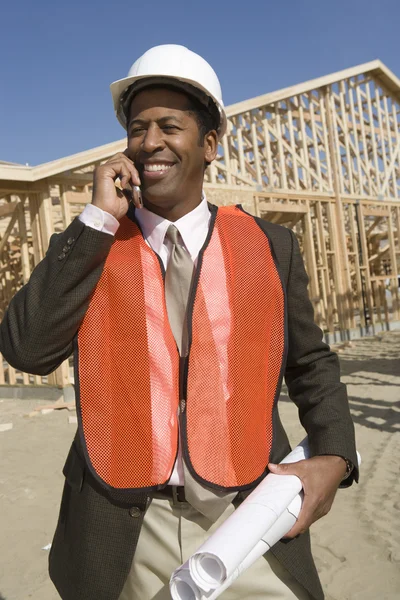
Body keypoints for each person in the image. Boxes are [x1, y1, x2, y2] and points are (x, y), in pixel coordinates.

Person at [0, 44, 358, 600]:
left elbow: (311, 362)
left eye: (170, 126)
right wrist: (96, 221)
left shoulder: (269, 247)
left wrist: (335, 455)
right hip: (125, 529)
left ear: (209, 144)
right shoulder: (91, 246)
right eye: (138, 129)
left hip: (244, 519)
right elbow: (26, 349)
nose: (150, 143)